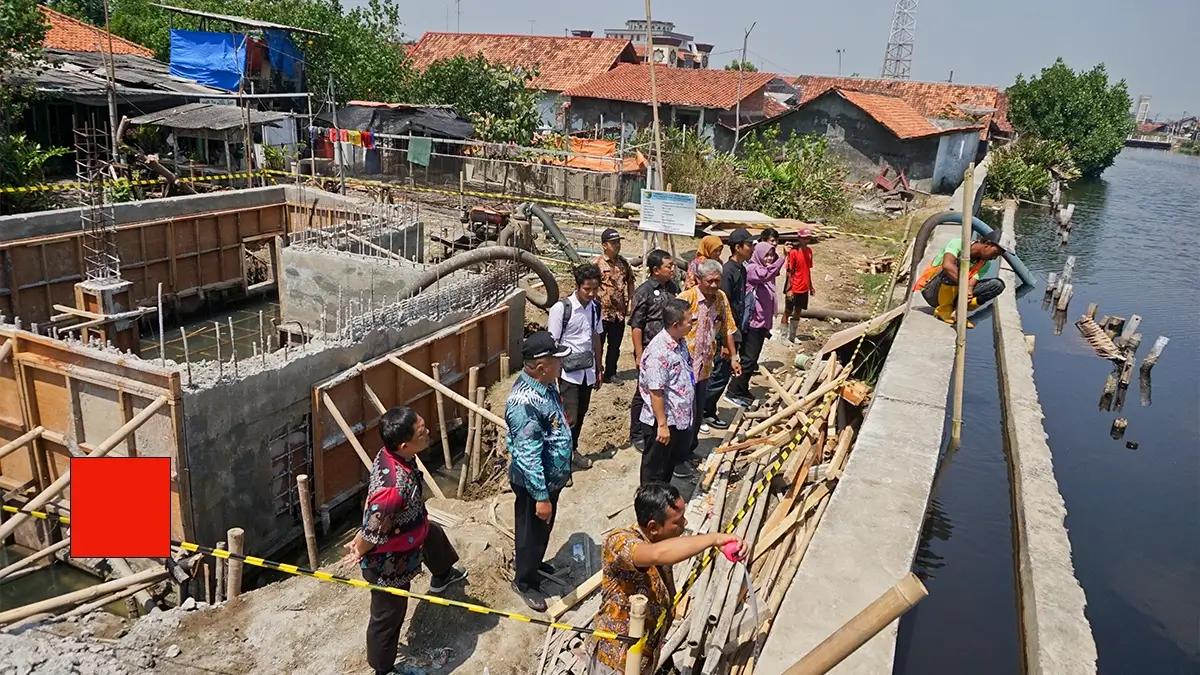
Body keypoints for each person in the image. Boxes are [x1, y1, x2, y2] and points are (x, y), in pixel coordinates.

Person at [344, 407, 469, 675]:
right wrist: (359, 547)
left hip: (413, 527)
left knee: (433, 535)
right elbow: (373, 532)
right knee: (388, 615)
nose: (428, 433)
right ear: (404, 444)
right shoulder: (393, 487)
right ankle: (382, 667)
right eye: (422, 432)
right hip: (390, 560)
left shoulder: (393, 455)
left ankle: (443, 575)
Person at [589, 483, 746, 674]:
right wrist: (713, 539)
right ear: (653, 527)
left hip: (646, 652)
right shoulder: (620, 542)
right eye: (678, 521)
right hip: (616, 660)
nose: (685, 523)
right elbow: (655, 554)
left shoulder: (660, 540)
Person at [505, 331, 574, 612]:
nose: (561, 365)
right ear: (541, 365)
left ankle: (533, 564)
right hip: (535, 483)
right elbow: (528, 454)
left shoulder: (545, 385)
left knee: (541, 530)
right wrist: (541, 496)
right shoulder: (523, 403)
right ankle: (524, 581)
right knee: (529, 531)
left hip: (550, 479)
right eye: (556, 360)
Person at [678, 259, 739, 458]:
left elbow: (728, 327)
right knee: (682, 413)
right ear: (698, 279)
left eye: (717, 281)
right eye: (709, 281)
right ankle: (678, 457)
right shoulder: (686, 298)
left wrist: (733, 356)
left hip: (704, 367)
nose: (713, 285)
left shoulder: (721, 298)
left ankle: (689, 449)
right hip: (683, 367)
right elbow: (671, 331)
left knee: (696, 413)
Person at [548, 263, 604, 469]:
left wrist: (599, 367)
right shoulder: (561, 309)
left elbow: (596, 337)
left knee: (581, 414)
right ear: (578, 286)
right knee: (567, 418)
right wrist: (553, 374)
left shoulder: (596, 307)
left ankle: (572, 451)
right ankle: (561, 463)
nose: (591, 293)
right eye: (587, 289)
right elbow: (552, 343)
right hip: (567, 374)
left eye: (595, 289)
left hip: (587, 372)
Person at [637, 298, 696, 483]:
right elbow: (656, 392)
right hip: (662, 423)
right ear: (676, 324)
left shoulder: (679, 341)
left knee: (667, 468)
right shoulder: (659, 352)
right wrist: (662, 425)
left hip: (677, 420)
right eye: (689, 321)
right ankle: (649, 508)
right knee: (654, 473)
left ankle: (662, 507)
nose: (692, 324)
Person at [627, 249, 681, 449]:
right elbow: (636, 325)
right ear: (656, 270)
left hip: (669, 350)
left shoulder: (673, 287)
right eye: (669, 266)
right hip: (650, 350)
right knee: (643, 393)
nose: (673, 269)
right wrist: (639, 354)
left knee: (664, 390)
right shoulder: (645, 291)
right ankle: (637, 433)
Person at [702, 228, 754, 430]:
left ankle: (707, 410)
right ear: (738, 247)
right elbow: (723, 310)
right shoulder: (728, 272)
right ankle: (704, 413)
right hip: (725, 334)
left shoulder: (741, 269)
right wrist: (725, 342)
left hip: (735, 330)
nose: (751, 248)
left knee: (722, 375)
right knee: (718, 375)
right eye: (748, 245)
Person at [725, 241, 785, 406]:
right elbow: (767, 273)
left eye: (772, 254)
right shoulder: (752, 269)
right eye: (766, 254)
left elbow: (772, 272)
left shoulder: (765, 271)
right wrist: (783, 259)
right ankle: (733, 390)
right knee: (748, 359)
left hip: (761, 324)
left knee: (753, 359)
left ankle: (742, 388)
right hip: (752, 323)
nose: (770, 258)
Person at [914, 229, 1008, 328]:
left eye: (998, 255)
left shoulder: (985, 263)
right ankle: (943, 310)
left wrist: (969, 291)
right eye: (995, 253)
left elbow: (971, 283)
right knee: (954, 267)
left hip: (957, 293)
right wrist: (965, 287)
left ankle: (960, 313)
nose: (995, 258)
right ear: (987, 244)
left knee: (997, 285)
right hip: (933, 291)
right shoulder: (958, 244)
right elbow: (947, 265)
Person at [595, 228, 635, 382]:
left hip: (618, 314)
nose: (617, 245)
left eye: (618, 242)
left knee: (615, 346)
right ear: (605, 245)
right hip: (601, 313)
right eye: (613, 243)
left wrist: (631, 300)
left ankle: (611, 373)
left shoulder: (623, 263)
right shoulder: (596, 263)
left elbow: (630, 282)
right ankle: (596, 372)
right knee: (598, 345)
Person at [783, 227, 816, 343]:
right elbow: (789, 272)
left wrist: (810, 286)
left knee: (798, 311)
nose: (807, 240)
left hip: (804, 287)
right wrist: (789, 289)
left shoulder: (809, 252)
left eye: (808, 238)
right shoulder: (793, 252)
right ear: (799, 238)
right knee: (787, 311)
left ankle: (792, 336)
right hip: (794, 286)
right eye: (804, 238)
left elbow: (807, 270)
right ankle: (783, 336)